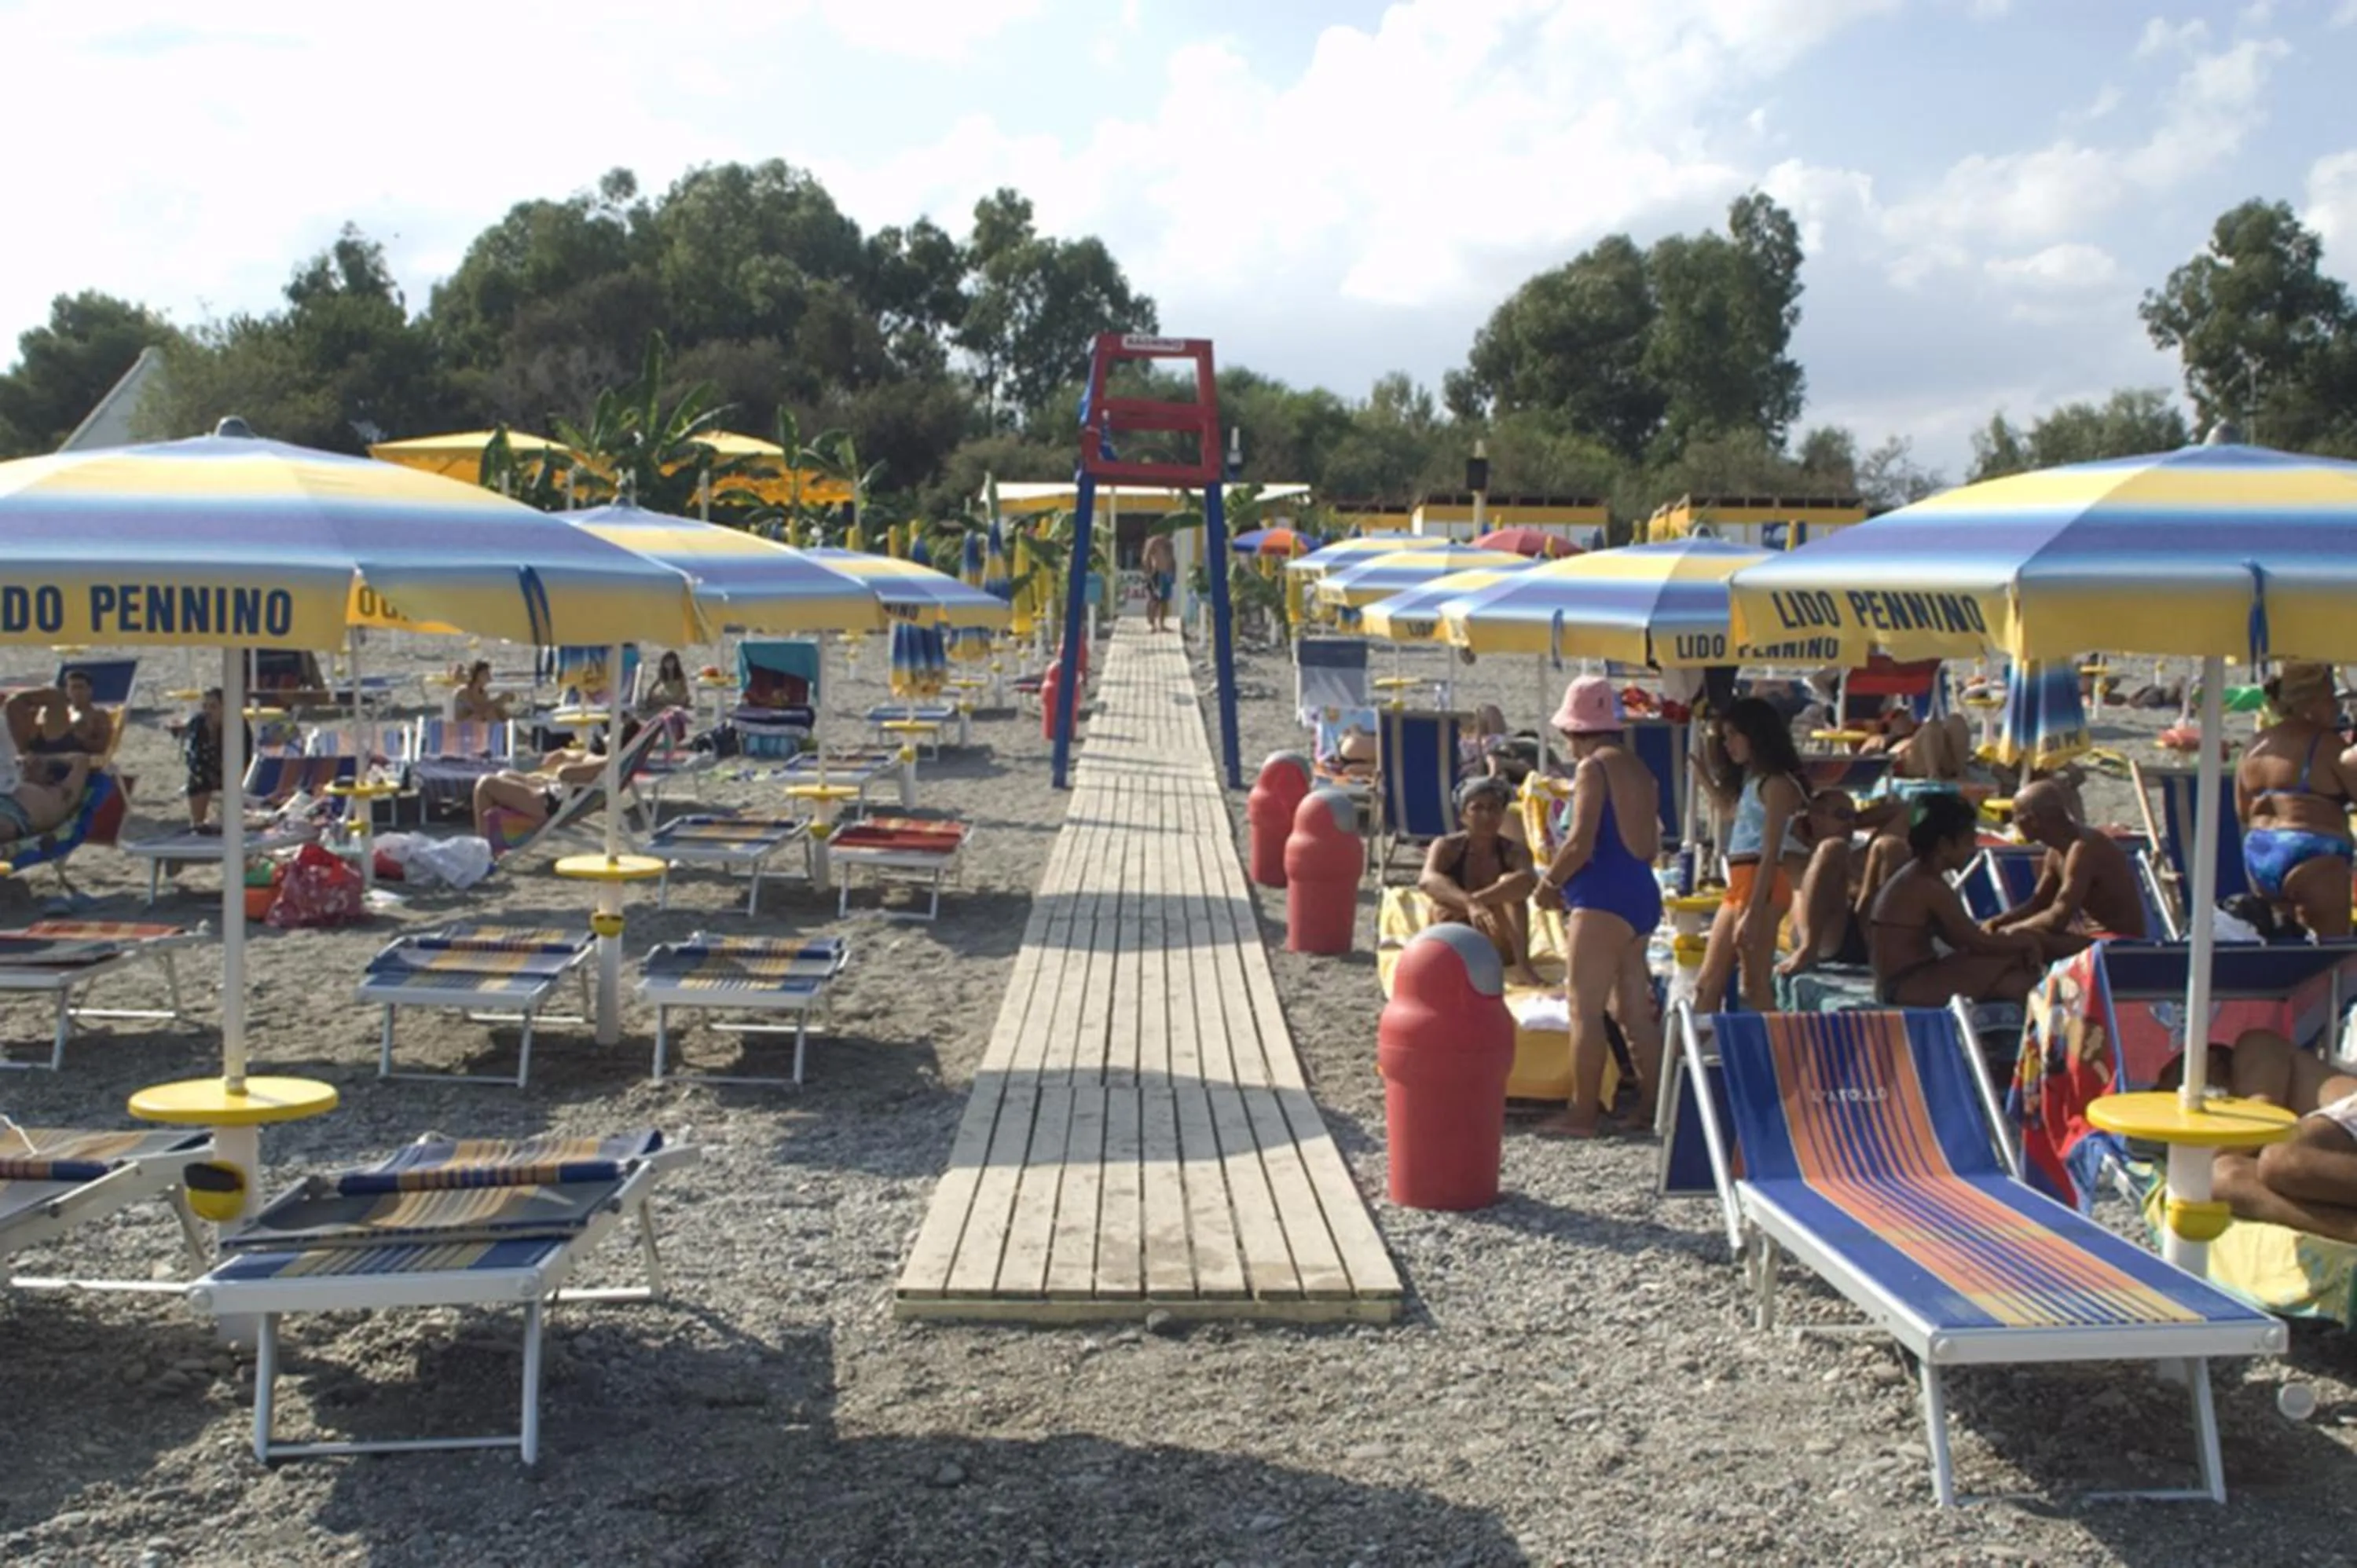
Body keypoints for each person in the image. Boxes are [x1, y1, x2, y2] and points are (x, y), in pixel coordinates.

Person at [1534, 676, 1664, 1136]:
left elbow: (1580, 842)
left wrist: (1549, 883)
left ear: (1576, 730)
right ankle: (1653, 1108)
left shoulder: (1594, 768)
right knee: (1634, 1012)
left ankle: (1582, 1113)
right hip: (1640, 892)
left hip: (1602, 897)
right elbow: (1651, 845)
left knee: (1584, 1009)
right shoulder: (1640, 770)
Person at [1867, 793, 2045, 1006]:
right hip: (1905, 985)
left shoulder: (1918, 875)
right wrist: (2025, 942)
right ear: (1944, 845)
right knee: (2015, 968)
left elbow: (1958, 938)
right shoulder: (1928, 885)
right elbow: (1975, 942)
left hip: (1901, 982)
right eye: (1968, 841)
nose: (1973, 849)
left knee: (2013, 981)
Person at [1692, 697, 1810, 1013]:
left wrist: (1754, 912)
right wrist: (1704, 777)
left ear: (1755, 734)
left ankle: (1775, 1043)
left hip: (1761, 882)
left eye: (1734, 735)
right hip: (1743, 881)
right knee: (1708, 983)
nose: (1727, 744)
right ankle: (1694, 1042)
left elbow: (1771, 851)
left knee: (1753, 984)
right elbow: (1731, 812)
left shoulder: (1778, 784)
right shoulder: (1755, 782)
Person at [2199, 1028, 2357, 1242]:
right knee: (2223, 1177)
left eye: (2165, 1078)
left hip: (2349, 1112)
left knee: (2281, 1158)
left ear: (2210, 1061)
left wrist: (2185, 1163)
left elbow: (2260, 1118)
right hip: (2340, 1156)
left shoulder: (2255, 1046)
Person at [2236, 660, 2355, 940]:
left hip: (2261, 851)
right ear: (2310, 704)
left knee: (2282, 947)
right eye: (2330, 699)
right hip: (2314, 852)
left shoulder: (2254, 746)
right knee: (2332, 952)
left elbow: (2243, 811)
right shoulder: (2327, 744)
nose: (2337, 708)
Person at [1982, 778, 2148, 958]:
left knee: (2023, 939)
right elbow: (2039, 903)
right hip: (2092, 939)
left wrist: (2008, 931)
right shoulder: (2056, 851)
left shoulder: (2084, 848)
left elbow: (2058, 918)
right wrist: (1996, 922)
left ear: (2034, 820)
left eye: (2015, 817)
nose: (2013, 822)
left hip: (2118, 944)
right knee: (2012, 938)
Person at [1418, 775, 1543, 988]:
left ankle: (1523, 965)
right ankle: (1443, 960)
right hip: (1455, 937)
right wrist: (1469, 903)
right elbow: (1426, 881)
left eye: (1494, 808)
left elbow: (1527, 882)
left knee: (1511, 885)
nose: (1487, 815)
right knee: (1442, 899)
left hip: (1499, 944)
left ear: (1502, 814)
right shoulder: (1447, 846)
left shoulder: (1514, 851)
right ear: (1463, 815)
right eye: (1477, 808)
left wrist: (1476, 901)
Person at [471, 719, 641, 836]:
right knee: (505, 774)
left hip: (550, 804)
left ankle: (484, 847)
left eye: (617, 728)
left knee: (486, 784)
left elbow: (565, 773)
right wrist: (563, 754)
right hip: (553, 795)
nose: (610, 730)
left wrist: (561, 768)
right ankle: (499, 836)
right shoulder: (606, 761)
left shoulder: (607, 763)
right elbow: (579, 759)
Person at [1780, 789, 1868, 976]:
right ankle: (1808, 949)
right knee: (1834, 847)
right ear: (1816, 817)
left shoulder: (1858, 847)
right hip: (1822, 936)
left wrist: (1853, 820)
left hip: (1863, 930)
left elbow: (1900, 813)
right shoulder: (1789, 852)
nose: (1851, 823)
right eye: (1843, 815)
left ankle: (1889, 953)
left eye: (1855, 817)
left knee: (1890, 846)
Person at [0, 687, 91, 841]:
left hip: (13, 814)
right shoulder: (17, 781)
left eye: (37, 766)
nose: (27, 766)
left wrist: (40, 758)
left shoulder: (61, 795)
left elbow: (81, 760)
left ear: (50, 777)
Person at [181, 687, 251, 830]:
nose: (208, 711)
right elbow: (194, 756)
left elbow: (245, 756)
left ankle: (226, 822)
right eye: (205, 706)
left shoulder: (238, 724)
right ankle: (197, 823)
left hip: (233, 771)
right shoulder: (199, 723)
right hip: (207, 770)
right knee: (198, 778)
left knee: (230, 778)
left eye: (213, 707)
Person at [453, 659, 512, 724]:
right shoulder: (463, 691)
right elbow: (479, 710)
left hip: (475, 724)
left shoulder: (483, 692)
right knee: (489, 713)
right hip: (460, 726)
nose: (489, 677)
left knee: (501, 713)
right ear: (477, 676)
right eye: (486, 673)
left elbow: (485, 709)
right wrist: (500, 700)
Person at [1142, 533, 1178, 634]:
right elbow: (1146, 556)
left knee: (1165, 600)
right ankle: (1151, 624)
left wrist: (1174, 573)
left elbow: (1172, 559)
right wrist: (1148, 572)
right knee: (1154, 599)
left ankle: (1162, 624)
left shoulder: (1169, 543)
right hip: (1157, 573)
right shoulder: (1154, 541)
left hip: (1167, 574)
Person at [640, 650, 692, 716]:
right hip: (666, 695)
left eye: (671, 662)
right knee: (656, 698)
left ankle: (669, 704)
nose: (669, 664)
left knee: (682, 700)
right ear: (664, 663)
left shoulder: (679, 675)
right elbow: (655, 685)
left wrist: (683, 696)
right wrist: (650, 694)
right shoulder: (663, 674)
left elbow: (684, 688)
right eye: (667, 662)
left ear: (675, 663)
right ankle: (669, 704)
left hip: (677, 694)